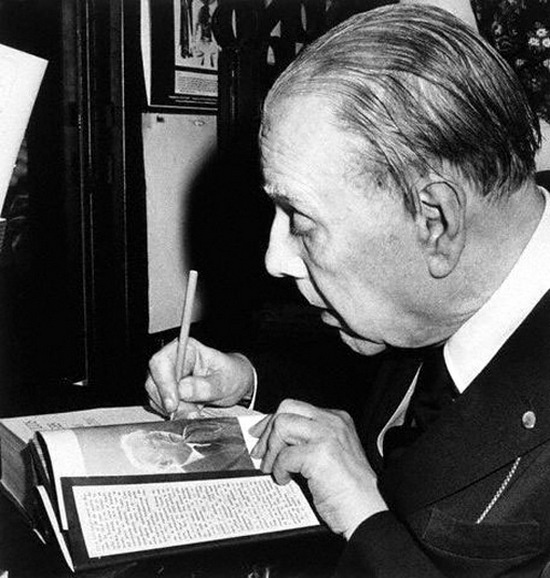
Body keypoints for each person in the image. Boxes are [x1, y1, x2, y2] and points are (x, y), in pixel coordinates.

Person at [146, 4, 550, 576]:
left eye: (301, 220)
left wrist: (365, 518)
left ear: (434, 221)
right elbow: (390, 383)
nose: (274, 260)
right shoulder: (460, 274)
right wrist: (246, 381)